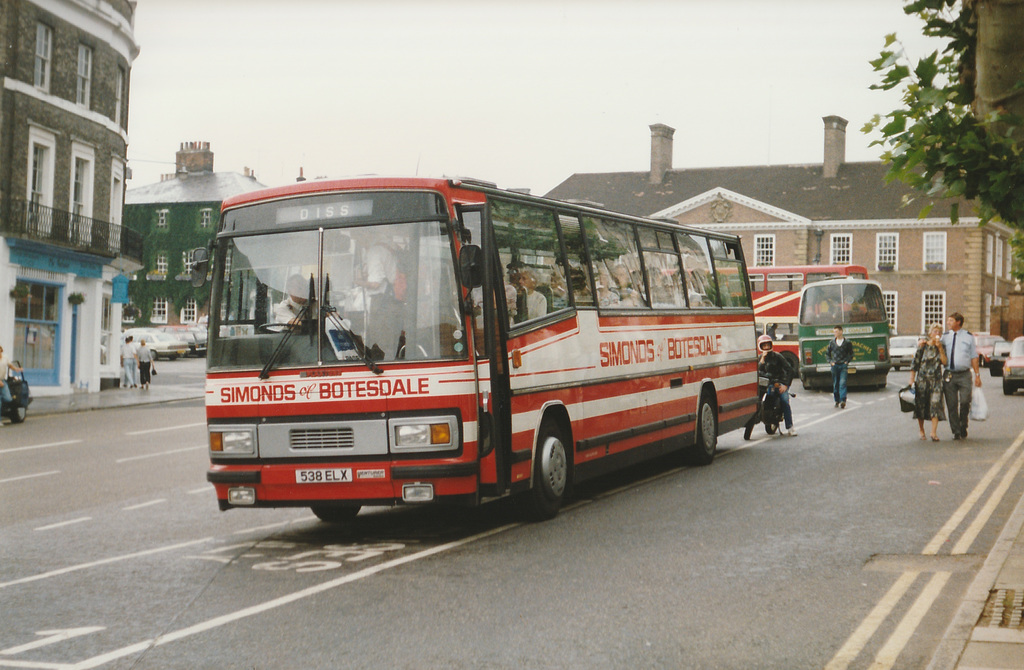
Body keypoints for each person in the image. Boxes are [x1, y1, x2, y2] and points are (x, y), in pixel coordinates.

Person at [941, 312, 982, 440]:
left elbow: (974, 357)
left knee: (965, 401)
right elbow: (935, 347)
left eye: (951, 320)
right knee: (951, 404)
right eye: (948, 321)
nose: (948, 323)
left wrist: (977, 375)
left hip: (964, 374)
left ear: (958, 322)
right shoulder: (945, 337)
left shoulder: (968, 337)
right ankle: (956, 431)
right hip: (949, 374)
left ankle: (963, 424)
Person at [909, 323, 947, 441]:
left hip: (936, 380)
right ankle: (921, 430)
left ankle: (933, 432)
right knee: (921, 406)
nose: (937, 334)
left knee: (935, 404)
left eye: (939, 332)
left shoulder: (941, 346)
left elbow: (944, 362)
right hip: (922, 380)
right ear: (930, 334)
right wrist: (912, 379)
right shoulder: (923, 346)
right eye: (935, 331)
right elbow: (915, 363)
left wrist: (940, 348)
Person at [756, 334, 797, 436]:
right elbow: (756, 372)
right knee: (755, 401)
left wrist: (786, 385)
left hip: (779, 384)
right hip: (765, 386)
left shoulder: (778, 356)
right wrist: (762, 360)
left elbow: (790, 370)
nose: (766, 348)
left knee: (784, 401)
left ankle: (790, 427)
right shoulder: (760, 358)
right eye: (763, 345)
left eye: (767, 345)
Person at [826, 325, 854, 409]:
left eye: (836, 331)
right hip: (835, 366)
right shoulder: (832, 343)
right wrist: (831, 362)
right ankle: (836, 400)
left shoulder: (847, 342)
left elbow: (851, 353)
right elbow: (827, 354)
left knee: (842, 383)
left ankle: (843, 400)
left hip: (843, 366)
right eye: (834, 332)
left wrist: (847, 361)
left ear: (841, 332)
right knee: (836, 384)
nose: (835, 333)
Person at [0, 345, 24, 427]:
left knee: (8, 398)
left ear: (1, 350)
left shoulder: (5, 357)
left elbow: (9, 365)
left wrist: (17, 369)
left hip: (2, 380)